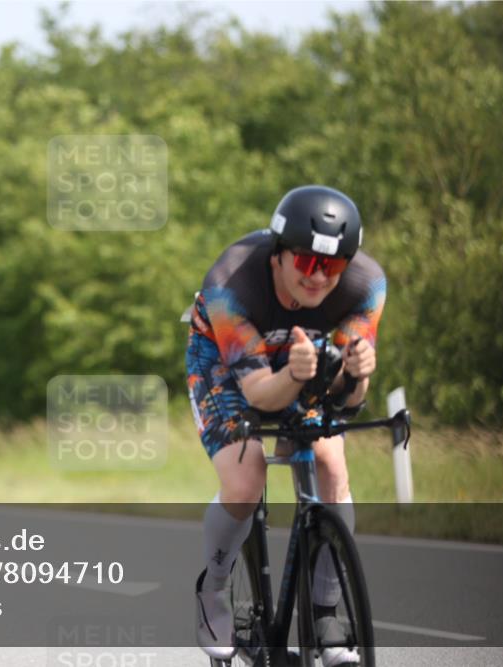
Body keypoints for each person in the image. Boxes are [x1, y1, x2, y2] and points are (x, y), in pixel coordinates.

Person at [187, 185, 386, 665]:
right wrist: (293, 375)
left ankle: (325, 614)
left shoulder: (366, 286)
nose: (319, 278)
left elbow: (348, 400)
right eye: (306, 263)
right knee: (245, 476)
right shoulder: (231, 282)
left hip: (305, 362)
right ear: (278, 255)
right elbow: (257, 395)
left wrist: (356, 376)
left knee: (331, 464)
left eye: (332, 266)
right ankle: (214, 588)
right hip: (226, 364)